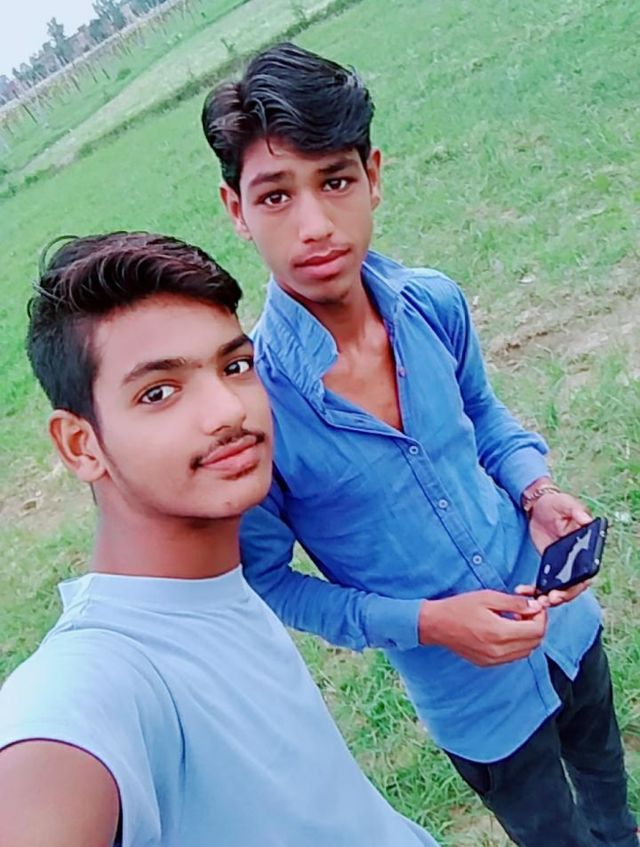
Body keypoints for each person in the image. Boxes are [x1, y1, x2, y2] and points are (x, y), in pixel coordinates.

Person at [202, 42, 638, 846]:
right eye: (276, 195)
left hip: (567, 625)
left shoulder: (433, 303)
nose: (314, 225)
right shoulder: (252, 406)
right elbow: (271, 580)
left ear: (373, 175)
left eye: (335, 181)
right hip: (473, 702)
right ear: (237, 209)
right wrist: (430, 623)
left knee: (611, 791)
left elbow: (485, 416)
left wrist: (538, 491)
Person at [0, 232, 441, 847]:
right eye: (158, 392)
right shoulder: (95, 680)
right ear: (81, 445)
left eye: (235, 367)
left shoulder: (218, 586)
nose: (228, 411)